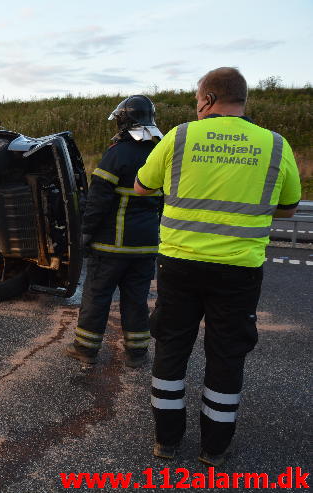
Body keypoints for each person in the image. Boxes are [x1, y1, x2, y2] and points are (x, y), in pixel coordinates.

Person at [134, 67, 301, 466]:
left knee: (171, 347)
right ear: (242, 100)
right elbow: (291, 207)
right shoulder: (275, 144)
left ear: (207, 100)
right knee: (227, 355)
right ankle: (215, 448)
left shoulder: (180, 136)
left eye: (197, 101)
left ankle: (167, 440)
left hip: (180, 264)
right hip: (239, 269)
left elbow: (143, 185)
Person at [65, 95, 164, 369]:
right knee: (136, 300)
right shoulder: (160, 152)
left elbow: (97, 201)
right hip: (145, 247)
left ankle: (85, 348)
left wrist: (84, 234)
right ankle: (137, 353)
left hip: (111, 246)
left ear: (124, 120)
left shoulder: (117, 153)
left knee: (97, 296)